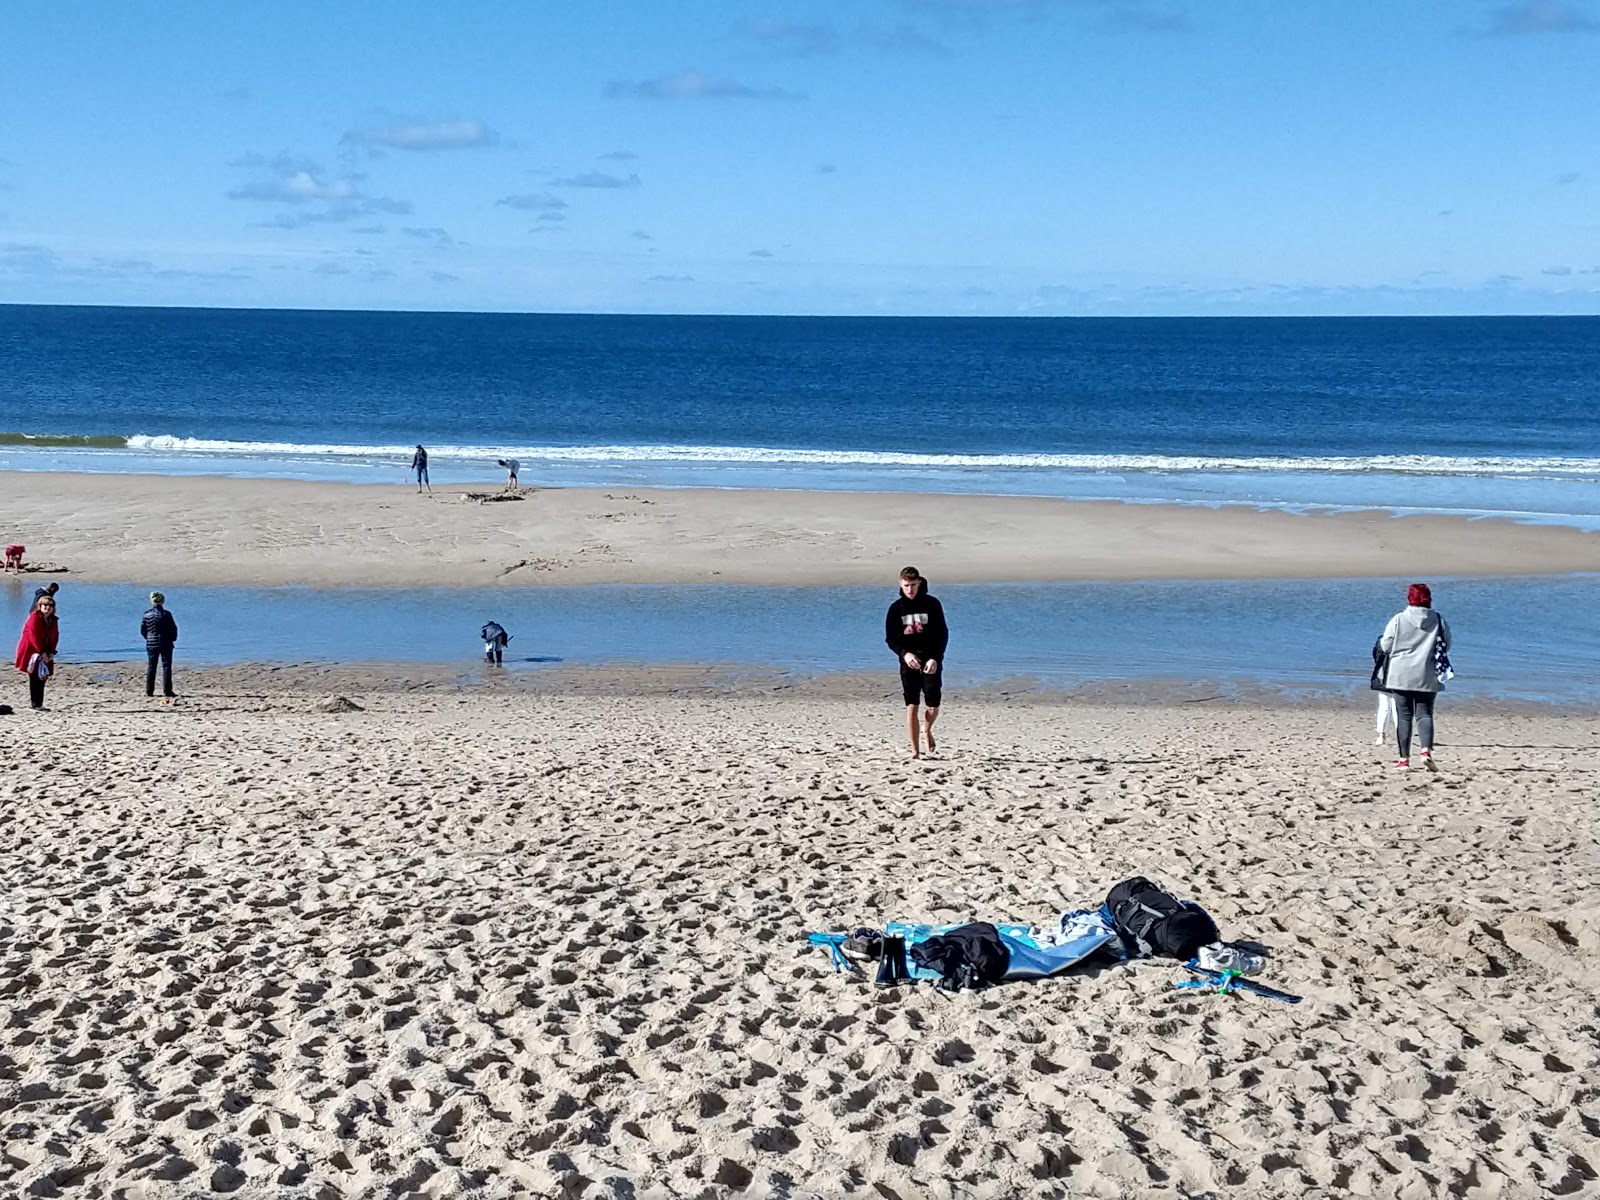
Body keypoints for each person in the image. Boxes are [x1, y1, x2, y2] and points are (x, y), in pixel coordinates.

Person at [1376, 582, 1451, 771]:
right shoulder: (1439, 619)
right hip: (1428, 674)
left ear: (1409, 598)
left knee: (1404, 716)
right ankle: (1425, 751)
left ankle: (1404, 760)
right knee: (1425, 714)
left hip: (1400, 674)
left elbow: (1385, 646)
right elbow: (1447, 644)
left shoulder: (1399, 619)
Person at [885, 566, 948, 758]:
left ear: (919, 583)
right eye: (906, 586)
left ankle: (927, 730)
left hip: (931, 659)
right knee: (912, 705)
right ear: (900, 584)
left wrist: (935, 657)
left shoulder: (932, 604)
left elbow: (942, 634)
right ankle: (915, 751)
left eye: (913, 585)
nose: (910, 589)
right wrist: (905, 654)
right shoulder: (896, 608)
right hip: (909, 661)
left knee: (932, 705)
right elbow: (891, 639)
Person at [14, 591, 59, 711]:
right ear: (40, 606)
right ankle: (36, 704)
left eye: (50, 606)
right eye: (45, 606)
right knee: (34, 676)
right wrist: (42, 652)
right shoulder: (34, 618)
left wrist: (51, 652)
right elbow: (34, 637)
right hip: (31, 650)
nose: (48, 608)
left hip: (45, 651)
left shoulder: (53, 620)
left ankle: (39, 703)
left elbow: (55, 636)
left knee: (42, 676)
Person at [140, 591, 179, 700]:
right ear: (162, 601)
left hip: (151, 644)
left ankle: (149, 690)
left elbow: (143, 630)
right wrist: (172, 639)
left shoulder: (146, 614)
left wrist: (148, 639)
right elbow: (173, 629)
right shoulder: (166, 614)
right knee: (166, 667)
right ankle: (167, 690)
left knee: (151, 667)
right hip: (165, 642)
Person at [1370, 640, 1397, 744]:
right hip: (1398, 679)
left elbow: (1376, 657)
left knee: (1384, 707)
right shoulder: (1404, 641)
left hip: (1383, 678)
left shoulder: (1381, 642)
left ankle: (1381, 735)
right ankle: (1400, 734)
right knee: (1397, 709)